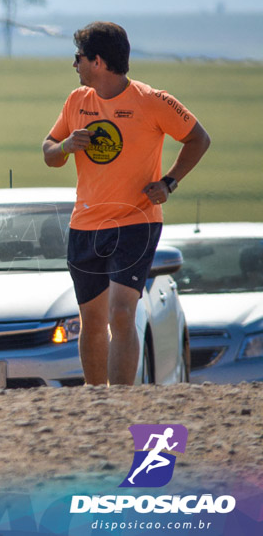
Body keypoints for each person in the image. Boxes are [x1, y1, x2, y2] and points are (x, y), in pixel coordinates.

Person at [43, 21, 210, 386]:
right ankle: (96, 397)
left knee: (121, 314)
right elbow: (48, 152)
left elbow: (199, 138)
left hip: (136, 222)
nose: (75, 65)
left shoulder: (151, 100)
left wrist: (169, 181)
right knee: (91, 319)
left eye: (79, 58)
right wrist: (65, 147)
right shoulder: (76, 101)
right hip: (84, 225)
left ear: (98, 61)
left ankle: (121, 402)